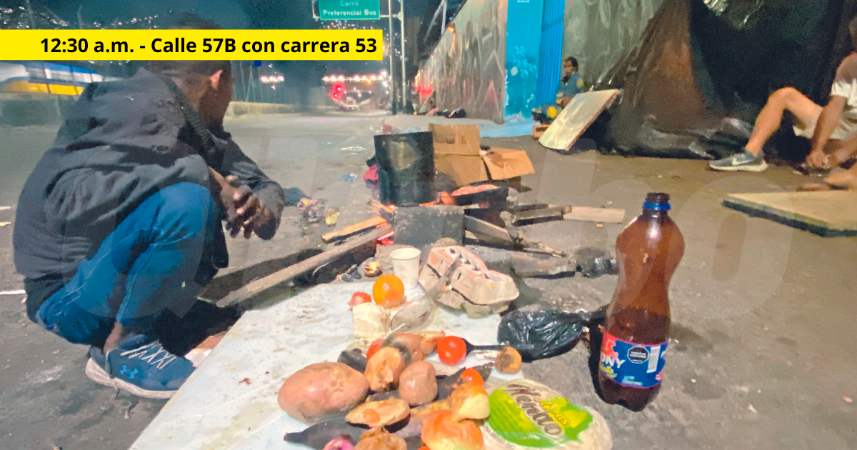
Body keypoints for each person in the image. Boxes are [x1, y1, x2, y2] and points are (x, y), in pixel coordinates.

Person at [13, 14, 286, 399]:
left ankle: (158, 318)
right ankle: (125, 347)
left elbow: (264, 185)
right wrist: (200, 175)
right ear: (218, 79)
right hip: (66, 298)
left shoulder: (196, 125)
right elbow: (65, 203)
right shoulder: (127, 109)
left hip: (102, 288)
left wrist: (259, 208)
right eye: (232, 85)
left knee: (191, 191)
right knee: (187, 198)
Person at [710, 16, 857, 172]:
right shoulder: (850, 64)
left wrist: (841, 154)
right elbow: (834, 108)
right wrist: (817, 148)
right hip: (843, 127)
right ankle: (751, 154)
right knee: (785, 95)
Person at [532, 57, 584, 124]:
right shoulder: (563, 81)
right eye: (565, 67)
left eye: (569, 66)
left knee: (550, 111)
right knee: (540, 109)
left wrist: (565, 101)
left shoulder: (577, 80)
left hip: (570, 109)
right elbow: (558, 93)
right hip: (560, 105)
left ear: (575, 67)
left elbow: (576, 98)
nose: (567, 69)